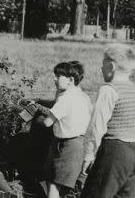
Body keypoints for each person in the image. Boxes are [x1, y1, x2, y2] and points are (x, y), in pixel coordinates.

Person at [80, 44, 135, 198]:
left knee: (96, 193)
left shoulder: (109, 90)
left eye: (103, 63)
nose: (101, 68)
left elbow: (97, 126)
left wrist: (89, 155)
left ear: (111, 66)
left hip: (114, 152)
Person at [38, 61, 92, 198]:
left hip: (66, 146)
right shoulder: (84, 97)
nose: (54, 79)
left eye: (58, 76)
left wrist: (38, 116)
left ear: (70, 80)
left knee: (53, 184)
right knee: (66, 186)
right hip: (81, 144)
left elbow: (47, 123)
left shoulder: (65, 99)